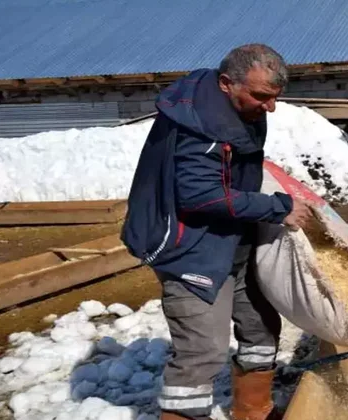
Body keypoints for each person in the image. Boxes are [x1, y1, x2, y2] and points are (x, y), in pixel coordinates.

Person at [121, 43, 311, 420]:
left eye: (275, 98)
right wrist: (277, 208)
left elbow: (229, 172)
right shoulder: (199, 124)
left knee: (260, 329)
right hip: (189, 244)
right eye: (261, 96)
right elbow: (199, 195)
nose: (269, 107)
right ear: (227, 83)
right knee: (203, 349)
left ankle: (253, 409)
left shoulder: (239, 107)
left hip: (232, 236)